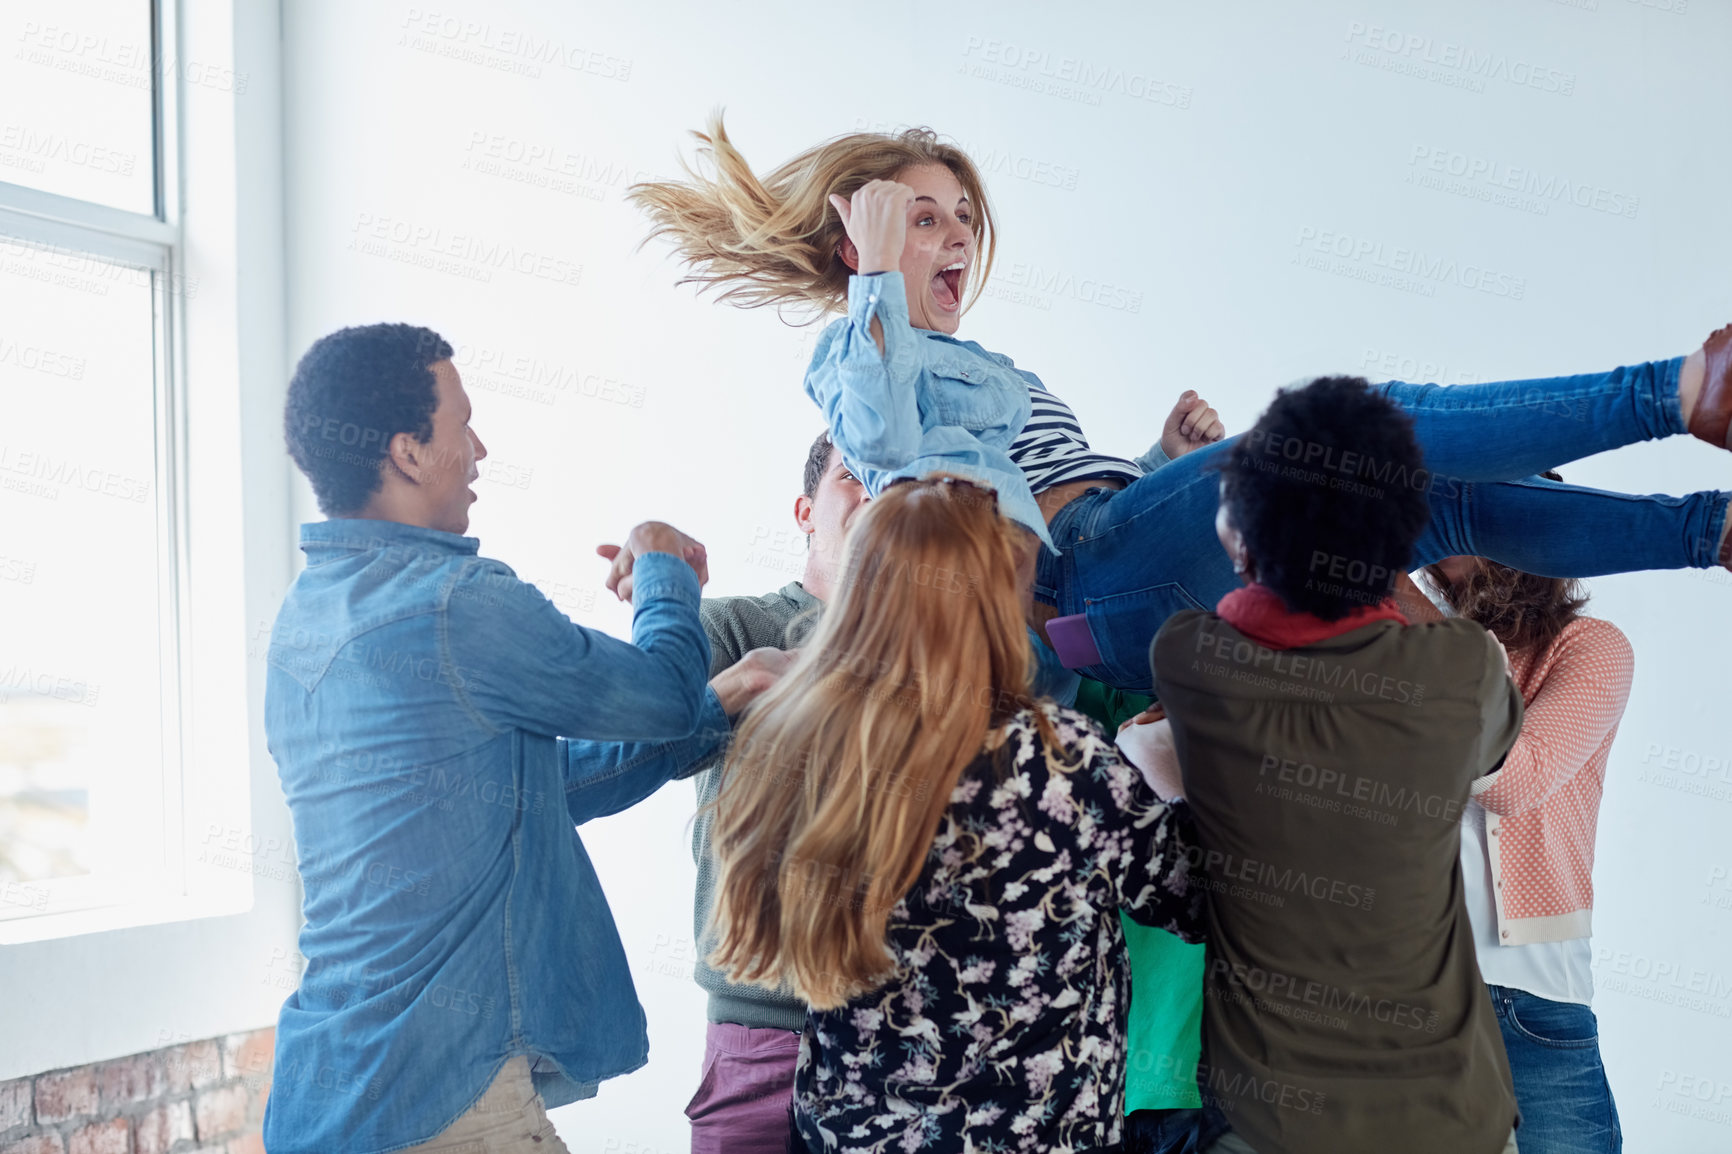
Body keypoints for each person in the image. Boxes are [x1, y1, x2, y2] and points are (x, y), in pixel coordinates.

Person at [632, 118, 1732, 693]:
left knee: (1428, 505)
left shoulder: (982, 368)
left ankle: (1707, 531)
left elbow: (1039, 489)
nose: (956, 232)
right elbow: (877, 449)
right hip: (1074, 594)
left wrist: (1150, 459)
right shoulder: (856, 352)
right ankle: (1679, 391)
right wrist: (871, 272)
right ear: (860, 240)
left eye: (961, 213)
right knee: (1358, 423)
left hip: (1112, 552)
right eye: (919, 218)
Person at [262, 323, 782, 1154]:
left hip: (325, 1099)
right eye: (461, 424)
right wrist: (662, 566)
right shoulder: (458, 602)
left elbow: (527, 791)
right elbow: (662, 697)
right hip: (448, 1106)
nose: (480, 448)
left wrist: (723, 702)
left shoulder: (304, 620)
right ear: (406, 452)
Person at [689, 406, 1218, 1151]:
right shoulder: (1053, 755)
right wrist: (1166, 755)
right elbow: (1192, 893)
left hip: (849, 1129)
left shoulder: (804, 735)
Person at [1150, 377, 1526, 1154]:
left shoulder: (1190, 661)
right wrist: (1376, 546)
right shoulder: (1462, 672)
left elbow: (1246, 595)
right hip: (1451, 1122)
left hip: (1270, 1127)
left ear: (1241, 536)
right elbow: (1492, 743)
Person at [1422, 539, 1632, 1154]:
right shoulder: (1388, 648)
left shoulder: (1590, 647)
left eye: (1478, 519)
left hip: (1528, 1001)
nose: (1449, 541)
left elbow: (1515, 780)